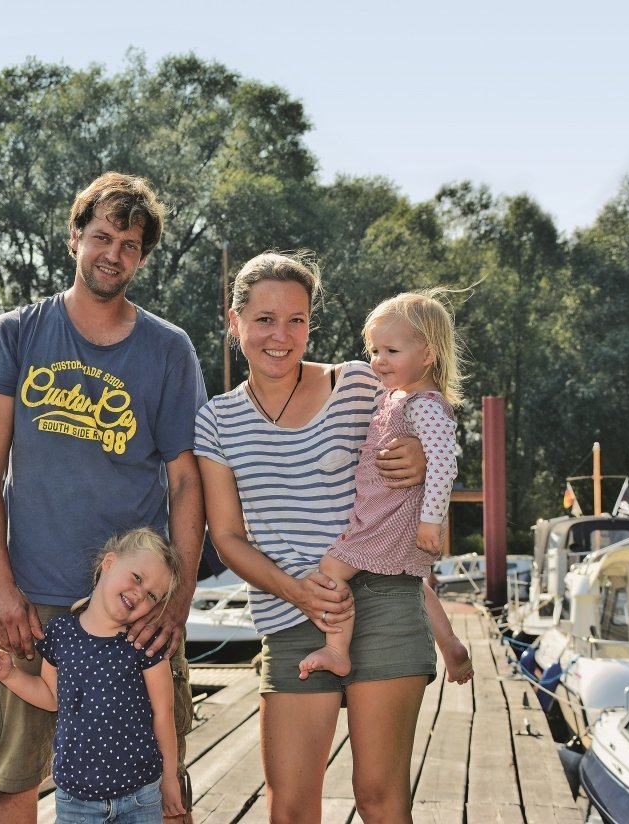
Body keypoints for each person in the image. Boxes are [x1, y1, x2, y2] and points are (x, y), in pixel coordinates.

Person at [0, 172, 205, 824]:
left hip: (136, 605)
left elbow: (187, 483)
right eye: (101, 236)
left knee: (156, 785)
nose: (113, 253)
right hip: (32, 601)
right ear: (74, 237)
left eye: (130, 244)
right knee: (13, 778)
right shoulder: (15, 334)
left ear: (143, 257)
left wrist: (176, 603)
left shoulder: (169, 351)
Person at [194, 252, 455, 823]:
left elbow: (428, 426)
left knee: (380, 799)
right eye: (264, 319)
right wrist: (298, 592)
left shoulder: (360, 382)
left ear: (311, 324)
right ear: (234, 322)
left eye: (297, 320)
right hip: (289, 615)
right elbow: (229, 536)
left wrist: (417, 456)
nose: (281, 336)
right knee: (289, 807)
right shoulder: (216, 420)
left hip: (384, 599)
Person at [299, 290, 474, 684]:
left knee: (330, 569)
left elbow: (444, 465)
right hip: (391, 514)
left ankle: (336, 650)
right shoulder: (399, 397)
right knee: (408, 580)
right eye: (374, 350)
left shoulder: (424, 404)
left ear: (427, 355)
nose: (378, 360)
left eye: (391, 351)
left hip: (390, 518)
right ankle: (449, 643)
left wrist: (431, 522)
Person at [0, 528, 187, 823]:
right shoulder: (61, 633)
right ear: (109, 563)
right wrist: (9, 674)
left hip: (140, 797)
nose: (140, 593)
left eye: (152, 595)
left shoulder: (144, 645)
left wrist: (169, 779)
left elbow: (163, 714)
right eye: (137, 578)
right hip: (76, 801)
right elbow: (52, 698)